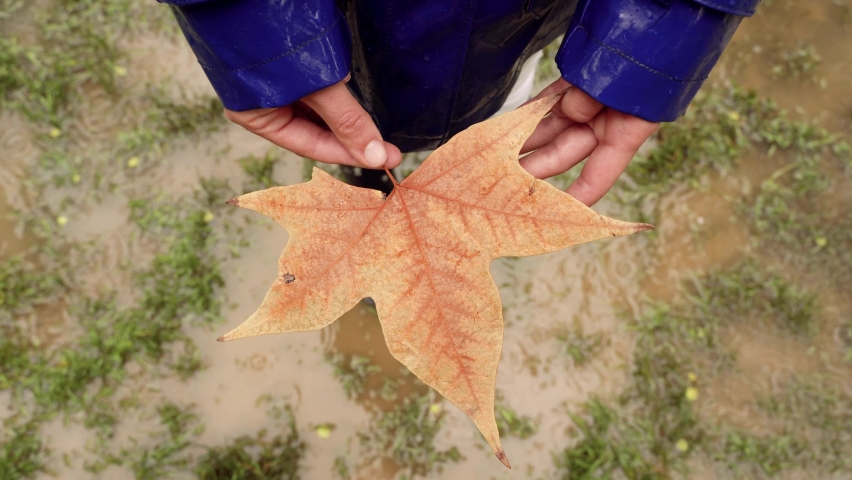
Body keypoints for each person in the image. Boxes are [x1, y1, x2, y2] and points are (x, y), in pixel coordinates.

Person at [159, 0, 760, 205]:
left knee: (508, 100)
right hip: (351, 30)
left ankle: (469, 152)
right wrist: (257, 24)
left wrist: (661, 23)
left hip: (518, 23)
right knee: (358, 131)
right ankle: (367, 201)